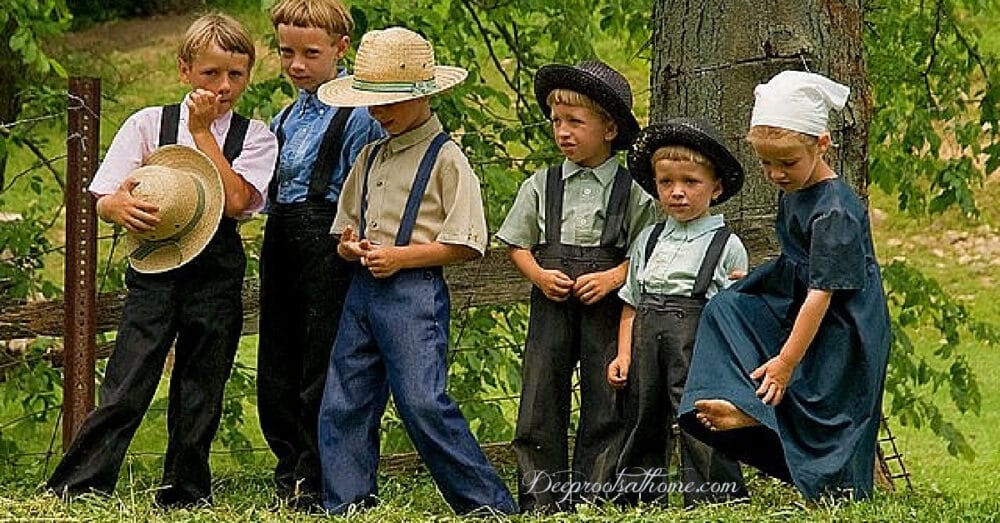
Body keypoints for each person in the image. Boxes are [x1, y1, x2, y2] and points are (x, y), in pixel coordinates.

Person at [46, 13, 278, 507]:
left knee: (202, 385)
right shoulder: (149, 123)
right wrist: (117, 207)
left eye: (235, 75)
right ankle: (79, 485)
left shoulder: (255, 136)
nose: (223, 86)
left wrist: (204, 135)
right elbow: (105, 195)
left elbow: (237, 201)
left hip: (216, 268)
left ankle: (185, 491)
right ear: (184, 70)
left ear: (249, 76)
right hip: (153, 267)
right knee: (128, 380)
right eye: (211, 73)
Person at [314, 27, 516, 515]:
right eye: (371, 103)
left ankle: (485, 503)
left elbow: (468, 243)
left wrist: (401, 257)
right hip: (361, 293)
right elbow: (345, 230)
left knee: (423, 402)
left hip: (413, 295)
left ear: (423, 95)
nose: (378, 113)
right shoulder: (369, 155)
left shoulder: (446, 158)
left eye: (390, 102)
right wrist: (350, 249)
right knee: (344, 399)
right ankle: (347, 501)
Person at [677, 70, 892, 500]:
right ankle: (746, 404)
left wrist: (785, 361)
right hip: (804, 299)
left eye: (787, 162)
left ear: (822, 144)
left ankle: (759, 414)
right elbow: (797, 259)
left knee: (828, 406)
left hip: (844, 321)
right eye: (766, 162)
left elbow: (822, 291)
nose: (775, 173)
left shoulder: (835, 210)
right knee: (727, 308)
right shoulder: (793, 189)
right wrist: (754, 280)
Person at [496, 60, 658, 512]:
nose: (563, 132)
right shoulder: (540, 184)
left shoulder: (635, 191)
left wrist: (611, 277)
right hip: (551, 300)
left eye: (575, 122)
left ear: (609, 128)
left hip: (607, 304)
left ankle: (596, 493)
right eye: (556, 122)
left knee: (606, 397)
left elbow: (645, 254)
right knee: (539, 395)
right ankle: (541, 497)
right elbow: (515, 244)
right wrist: (539, 276)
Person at [257, 0, 383, 508]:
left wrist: (353, 240)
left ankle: (317, 472)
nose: (297, 65)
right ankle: (288, 467)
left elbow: (366, 189)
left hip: (331, 242)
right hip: (282, 239)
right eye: (287, 52)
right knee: (277, 360)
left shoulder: (357, 115)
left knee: (321, 361)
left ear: (340, 49)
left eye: (311, 53)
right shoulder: (282, 117)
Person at [603, 118, 750, 506]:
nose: (677, 192)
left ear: (715, 188)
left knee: (700, 418)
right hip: (647, 340)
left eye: (690, 182)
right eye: (666, 183)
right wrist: (623, 353)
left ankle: (715, 497)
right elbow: (632, 300)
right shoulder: (648, 238)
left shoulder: (726, 244)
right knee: (642, 416)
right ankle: (636, 497)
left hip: (698, 346)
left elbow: (734, 317)